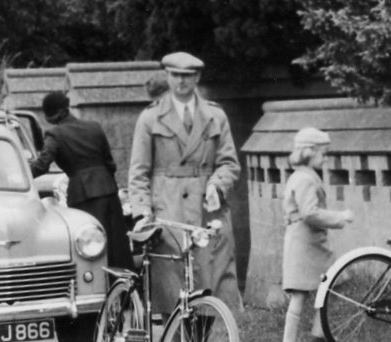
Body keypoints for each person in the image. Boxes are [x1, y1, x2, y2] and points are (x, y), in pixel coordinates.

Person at [127, 50, 241, 314]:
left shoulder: (215, 116)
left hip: (206, 213)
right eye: (175, 75)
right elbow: (139, 172)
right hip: (168, 214)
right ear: (166, 76)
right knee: (172, 297)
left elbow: (229, 163)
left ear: (197, 77)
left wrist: (218, 185)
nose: (181, 82)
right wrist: (143, 213)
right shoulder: (150, 118)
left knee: (211, 294)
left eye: (187, 76)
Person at [30, 91, 133, 271]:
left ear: (52, 115)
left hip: (83, 193)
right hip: (108, 190)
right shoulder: (94, 126)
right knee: (117, 244)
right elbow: (110, 163)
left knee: (89, 243)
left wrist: (19, 174)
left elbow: (42, 165)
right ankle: (126, 288)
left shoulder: (54, 134)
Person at [282, 127, 353, 342]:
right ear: (309, 152)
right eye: (323, 154)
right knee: (308, 293)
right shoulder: (305, 179)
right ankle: (303, 338)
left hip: (306, 241)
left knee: (320, 289)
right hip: (306, 242)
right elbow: (309, 213)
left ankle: (315, 337)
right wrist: (339, 217)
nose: (324, 159)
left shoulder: (301, 176)